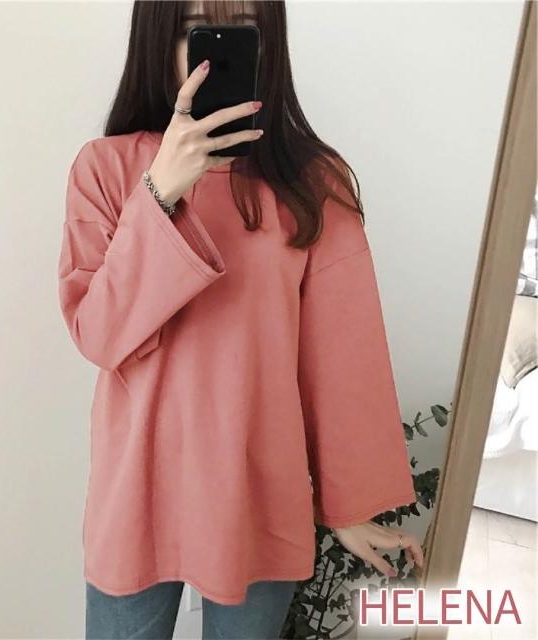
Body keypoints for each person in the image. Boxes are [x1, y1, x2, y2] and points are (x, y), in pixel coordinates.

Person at [57, 1, 425, 638]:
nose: (215, 50)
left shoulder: (314, 183)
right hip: (138, 489)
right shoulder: (106, 169)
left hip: (259, 488)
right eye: (195, 28)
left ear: (268, 44)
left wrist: (346, 503)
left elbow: (343, 358)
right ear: (157, 39)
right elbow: (100, 335)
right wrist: (159, 192)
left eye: (244, 29)